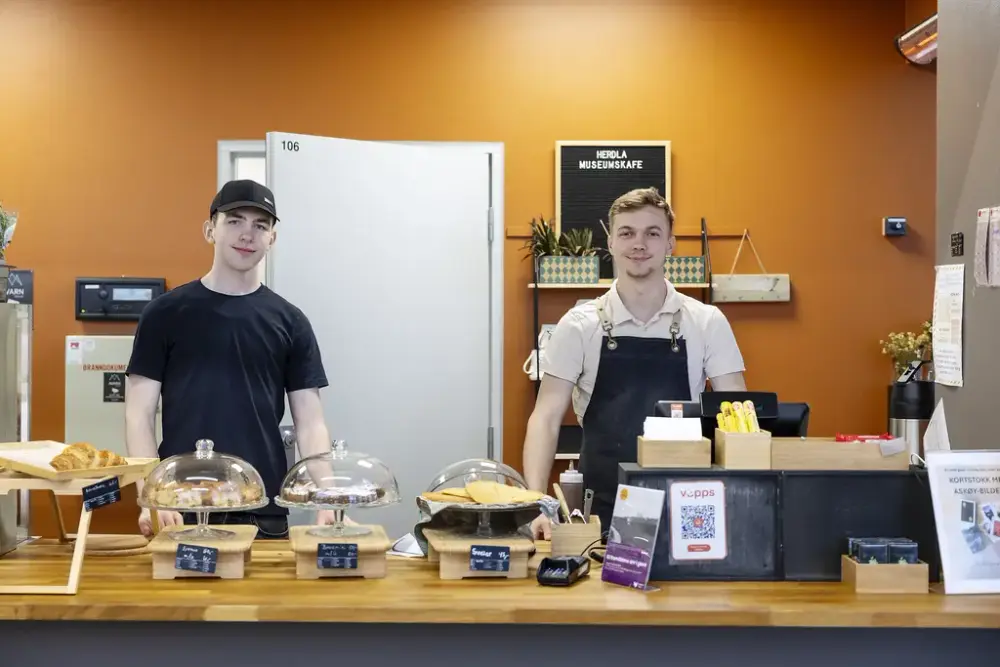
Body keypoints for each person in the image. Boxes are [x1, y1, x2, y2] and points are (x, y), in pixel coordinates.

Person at [522, 187, 747, 538]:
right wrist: (537, 503)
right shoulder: (578, 325)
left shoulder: (707, 322)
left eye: (652, 233)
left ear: (670, 244)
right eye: (627, 233)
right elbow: (545, 419)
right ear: (611, 242)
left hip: (686, 506)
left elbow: (736, 418)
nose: (638, 244)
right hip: (598, 512)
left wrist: (741, 500)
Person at [125, 179, 337, 539]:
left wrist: (327, 495)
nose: (247, 234)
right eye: (235, 221)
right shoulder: (163, 314)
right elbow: (138, 414)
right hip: (181, 505)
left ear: (272, 238)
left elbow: (310, 423)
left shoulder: (291, 321)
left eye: (260, 225)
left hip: (263, 510)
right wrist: (151, 494)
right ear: (210, 230)